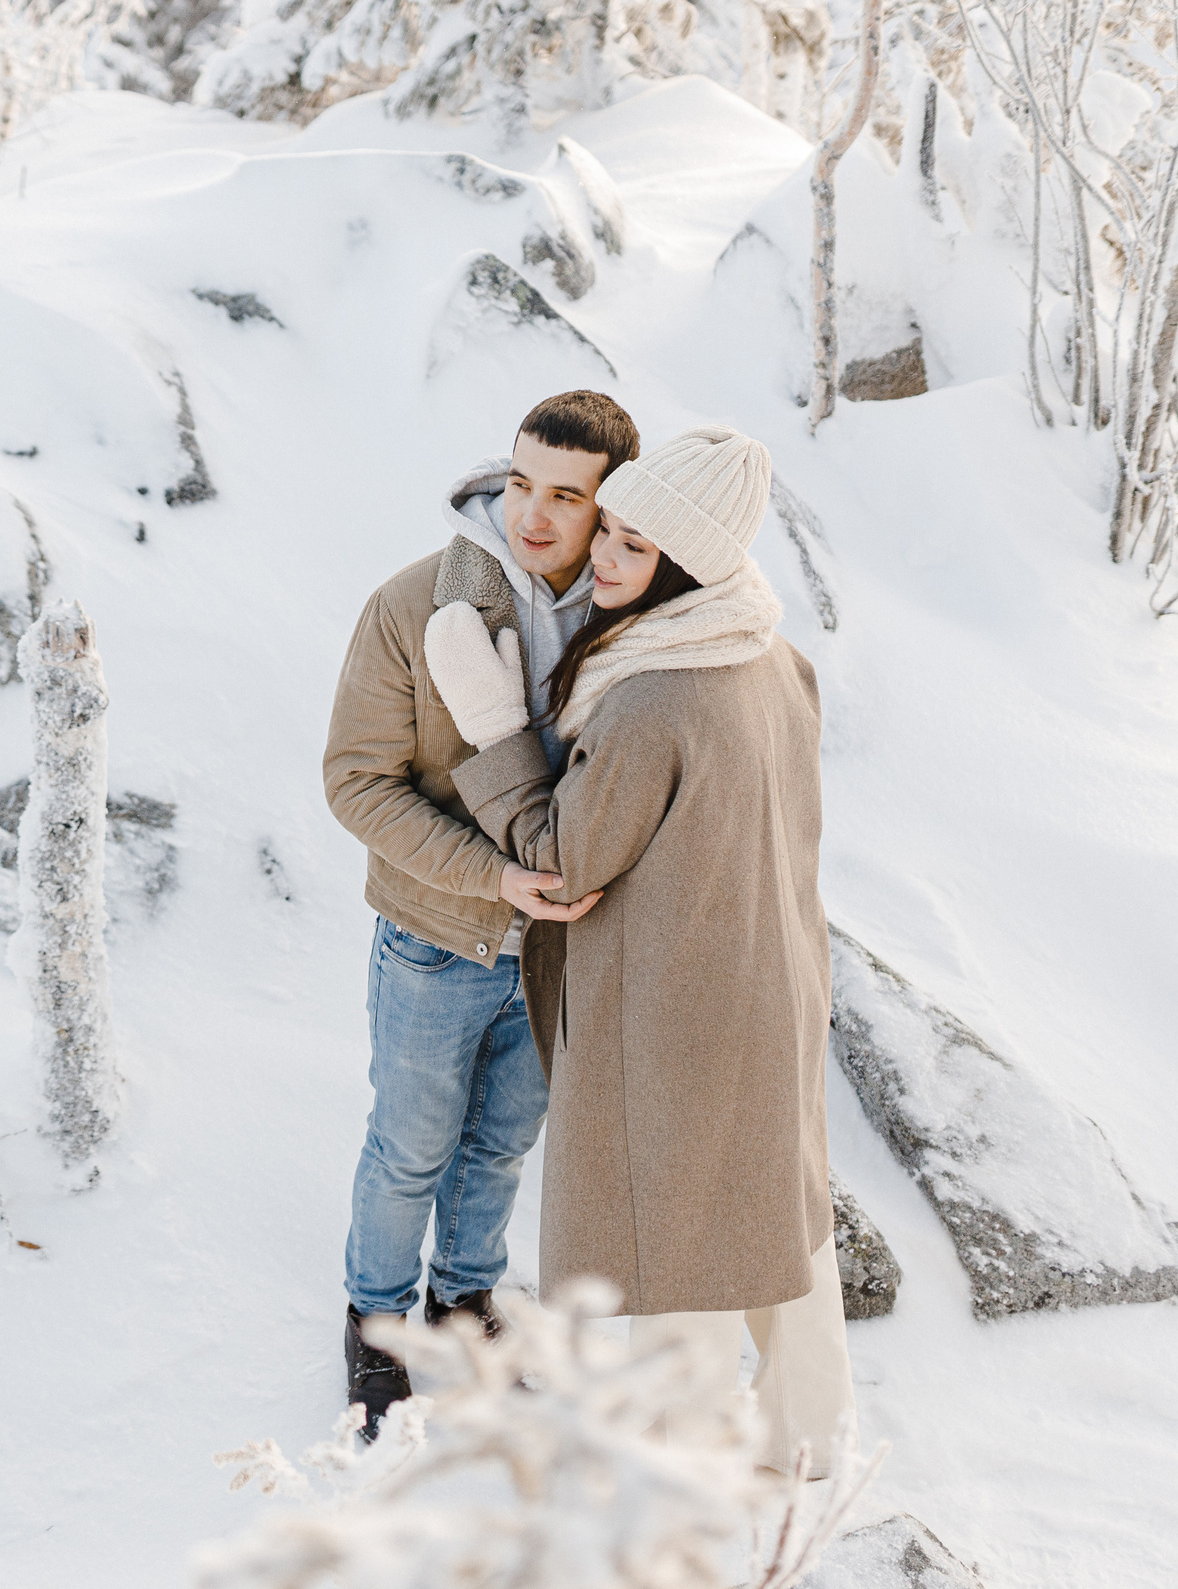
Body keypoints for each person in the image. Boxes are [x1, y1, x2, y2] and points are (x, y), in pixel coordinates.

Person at [423, 423, 855, 1477]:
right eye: (605, 532)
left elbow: (564, 862)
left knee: (681, 1251)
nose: (602, 560)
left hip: (678, 1009)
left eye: (632, 548)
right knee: (778, 1222)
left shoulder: (655, 697)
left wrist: (489, 734)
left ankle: (681, 1480)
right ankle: (808, 1441)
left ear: (689, 566)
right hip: (775, 982)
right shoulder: (769, 653)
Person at [320, 390, 639, 1437]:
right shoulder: (415, 606)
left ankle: (464, 1301)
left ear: (608, 507)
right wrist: (489, 878)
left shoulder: (627, 612)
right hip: (435, 937)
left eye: (564, 494)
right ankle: (377, 1325)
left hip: (558, 949)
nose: (532, 514)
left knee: (501, 1146)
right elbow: (356, 783)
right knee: (410, 1147)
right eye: (518, 482)